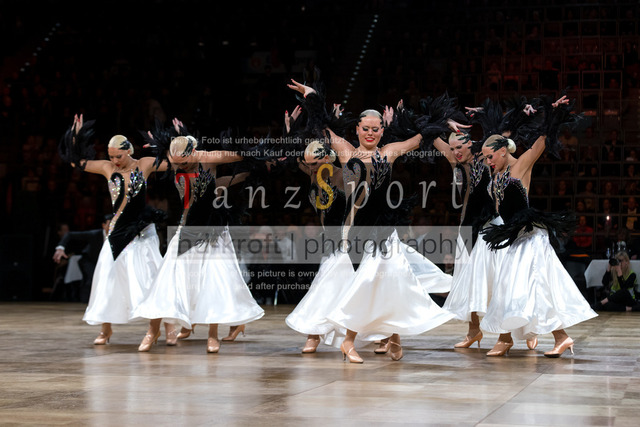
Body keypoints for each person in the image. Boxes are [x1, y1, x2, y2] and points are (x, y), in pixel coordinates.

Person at [288, 79, 456, 363]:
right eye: (365, 128)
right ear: (357, 129)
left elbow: (421, 137)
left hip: (385, 232)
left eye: (375, 129)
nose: (370, 133)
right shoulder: (346, 151)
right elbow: (321, 128)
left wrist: (441, 121)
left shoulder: (389, 152)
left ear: (382, 131)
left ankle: (390, 337)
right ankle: (353, 340)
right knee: (368, 284)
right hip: (356, 232)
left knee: (395, 283)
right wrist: (313, 96)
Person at [480, 96, 598, 358]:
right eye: (486, 157)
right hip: (515, 238)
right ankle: (508, 338)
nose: (487, 161)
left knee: (535, 287)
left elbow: (540, 143)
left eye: (490, 156)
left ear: (503, 152)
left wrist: (552, 114)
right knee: (508, 287)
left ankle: (558, 337)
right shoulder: (495, 174)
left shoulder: (519, 167)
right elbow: (499, 136)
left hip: (531, 237)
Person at [131, 124, 264, 353]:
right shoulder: (174, 160)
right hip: (186, 227)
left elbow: (245, 155)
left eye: (184, 161)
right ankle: (153, 330)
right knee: (167, 278)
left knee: (214, 280)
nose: (180, 166)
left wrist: (265, 152)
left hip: (213, 230)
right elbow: (145, 164)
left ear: (193, 152)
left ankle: (213, 334)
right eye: (176, 162)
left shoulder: (208, 159)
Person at [59, 114, 169, 345]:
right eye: (111, 156)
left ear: (129, 151)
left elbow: (174, 162)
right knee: (107, 279)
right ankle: (105, 329)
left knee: (149, 278)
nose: (115, 160)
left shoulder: (144, 164)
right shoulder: (107, 168)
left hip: (141, 231)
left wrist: (167, 143)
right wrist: (75, 136)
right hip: (118, 231)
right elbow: (75, 162)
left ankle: (156, 329)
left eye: (118, 156)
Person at [52, 214, 113, 303]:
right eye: (110, 224)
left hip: (104, 262)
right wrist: (60, 248)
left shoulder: (117, 237)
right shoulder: (94, 234)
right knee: (90, 279)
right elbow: (70, 234)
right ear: (104, 225)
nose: (113, 227)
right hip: (88, 260)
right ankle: (85, 303)